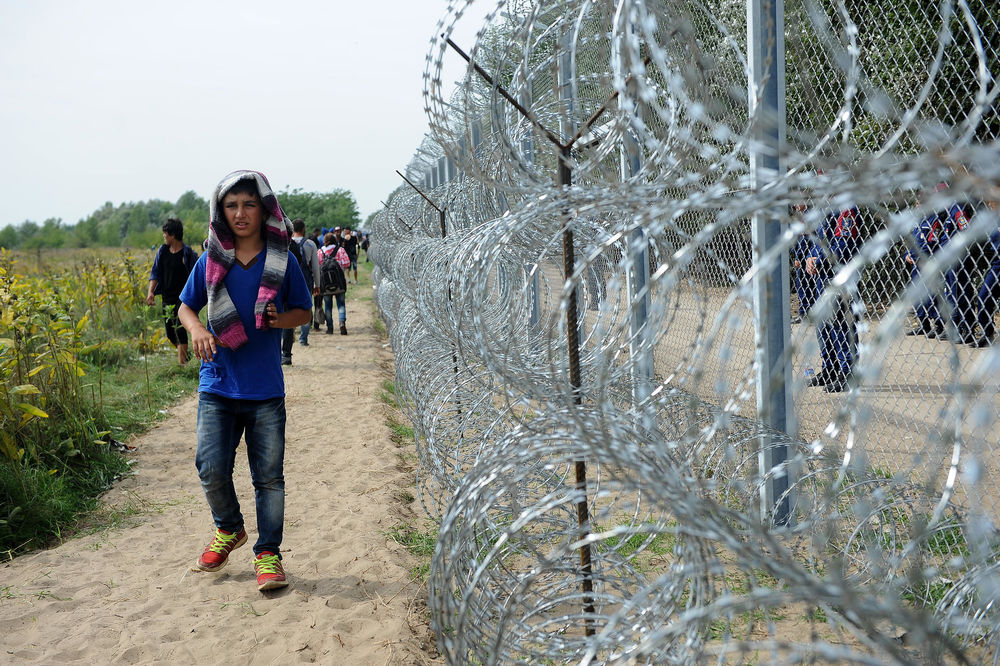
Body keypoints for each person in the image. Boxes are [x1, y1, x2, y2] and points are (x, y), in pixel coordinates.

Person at [177, 170, 313, 592]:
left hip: (265, 388)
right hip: (217, 383)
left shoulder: (283, 261)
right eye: (231, 205)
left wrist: (280, 319)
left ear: (264, 209)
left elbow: (303, 311)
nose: (240, 213)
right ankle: (229, 527)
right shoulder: (210, 260)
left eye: (249, 204)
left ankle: (268, 553)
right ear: (220, 211)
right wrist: (196, 330)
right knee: (209, 466)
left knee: (268, 478)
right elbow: (186, 307)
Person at [804, 205, 861, 392]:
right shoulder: (824, 208)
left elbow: (844, 245)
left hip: (840, 276)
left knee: (841, 324)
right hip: (822, 277)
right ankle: (830, 369)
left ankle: (847, 372)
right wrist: (810, 258)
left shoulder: (846, 208)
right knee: (823, 325)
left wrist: (819, 261)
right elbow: (816, 240)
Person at [146, 217, 199, 365]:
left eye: (165, 233)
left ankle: (182, 365)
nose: (164, 236)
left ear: (173, 235)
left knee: (180, 328)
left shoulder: (187, 254)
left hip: (183, 299)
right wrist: (151, 292)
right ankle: (185, 355)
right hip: (167, 297)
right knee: (170, 332)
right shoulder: (163, 251)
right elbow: (155, 272)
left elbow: (197, 275)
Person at [281, 219, 320, 365]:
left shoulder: (276, 244)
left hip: (281, 285)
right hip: (304, 282)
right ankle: (302, 339)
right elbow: (315, 267)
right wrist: (317, 284)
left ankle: (281, 351)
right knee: (305, 310)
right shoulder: (310, 244)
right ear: (303, 229)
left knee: (281, 316)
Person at [319, 232, 350, 335]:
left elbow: (317, 265)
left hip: (325, 284)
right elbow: (347, 263)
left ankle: (330, 327)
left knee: (328, 306)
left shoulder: (320, 251)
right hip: (339, 282)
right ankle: (342, 323)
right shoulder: (340, 250)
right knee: (341, 304)